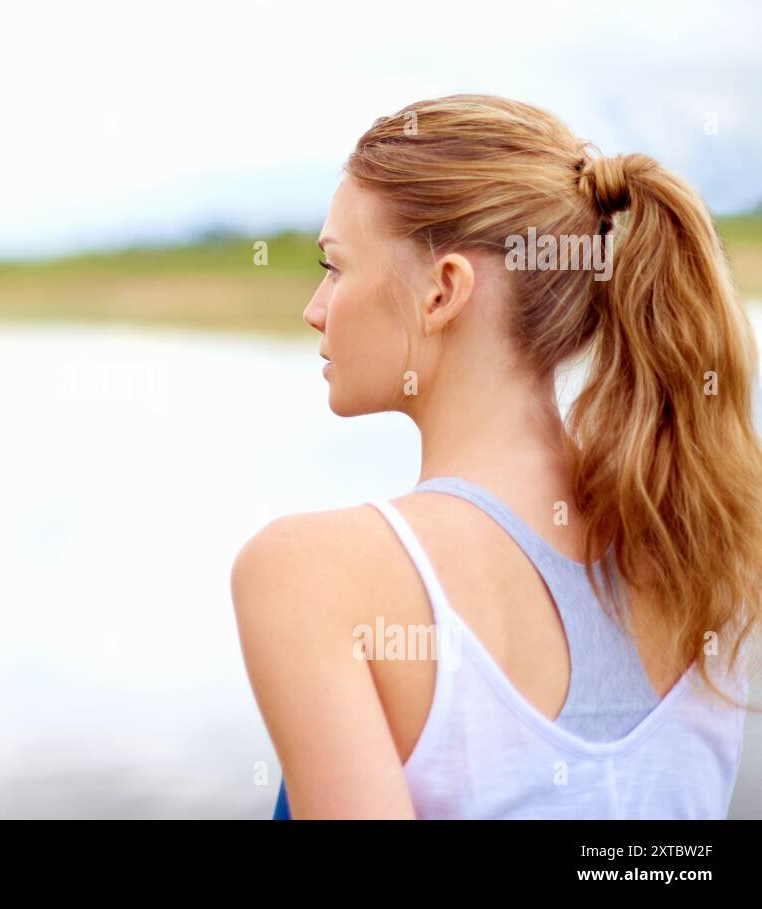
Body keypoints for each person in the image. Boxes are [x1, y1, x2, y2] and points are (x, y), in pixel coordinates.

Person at [232, 94, 762, 819]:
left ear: (443, 289)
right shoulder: (702, 551)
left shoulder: (311, 573)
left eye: (334, 265)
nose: (315, 308)